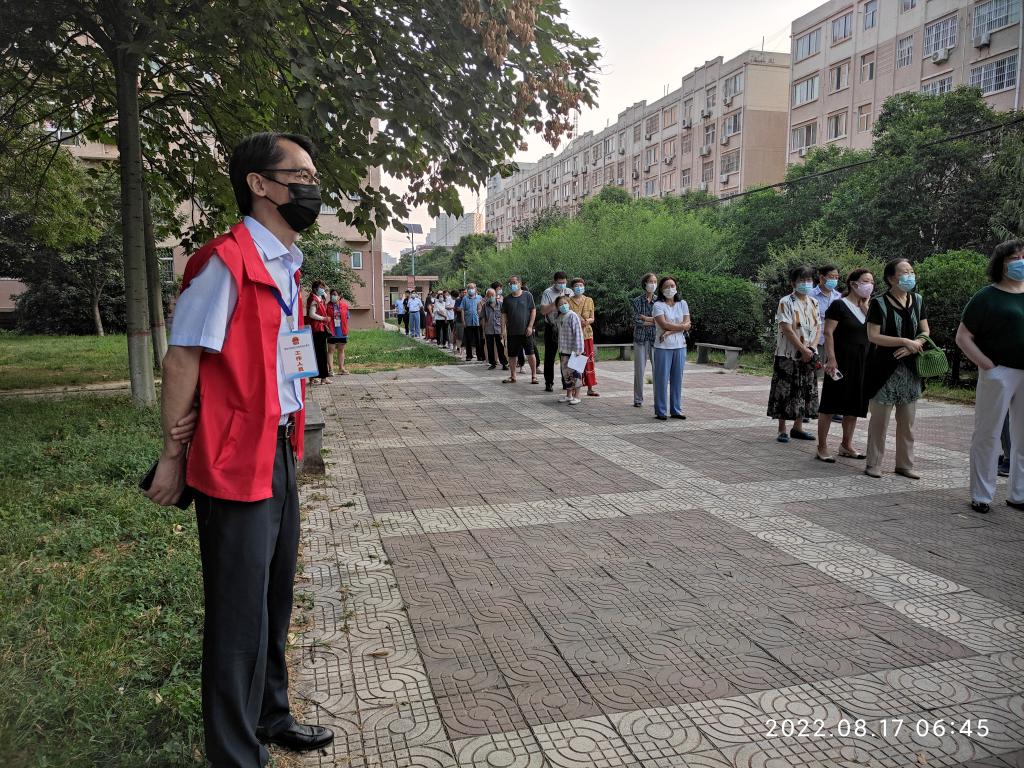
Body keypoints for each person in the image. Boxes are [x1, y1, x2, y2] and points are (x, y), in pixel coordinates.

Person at [144, 132, 334, 766]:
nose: (312, 188)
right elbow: (182, 359)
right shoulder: (224, 262)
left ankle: (270, 714)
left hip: (279, 446)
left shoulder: (287, 263)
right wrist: (172, 456)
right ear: (259, 184)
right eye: (299, 176)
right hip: (234, 459)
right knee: (237, 611)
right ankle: (233, 753)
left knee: (275, 594)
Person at [956, 239, 1024, 514]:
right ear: (1001, 264)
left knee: (1023, 436)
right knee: (988, 432)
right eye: (1015, 258)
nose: (1021, 262)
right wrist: (988, 366)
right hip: (999, 372)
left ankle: (1018, 494)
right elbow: (963, 337)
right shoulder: (986, 296)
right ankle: (981, 495)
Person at [863, 258, 930, 479]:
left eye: (911, 271)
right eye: (904, 272)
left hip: (911, 370)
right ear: (891, 278)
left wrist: (915, 345)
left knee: (907, 423)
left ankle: (904, 464)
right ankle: (874, 463)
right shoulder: (879, 303)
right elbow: (873, 336)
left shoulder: (918, 300)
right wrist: (903, 341)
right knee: (879, 422)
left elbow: (925, 331)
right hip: (883, 370)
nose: (909, 276)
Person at [816, 269, 874, 462]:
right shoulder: (839, 305)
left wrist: (865, 307)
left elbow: (873, 333)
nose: (870, 285)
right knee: (830, 403)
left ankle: (846, 444)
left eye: (872, 282)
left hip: (862, 361)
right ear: (853, 284)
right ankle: (822, 446)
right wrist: (831, 358)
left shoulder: (867, 308)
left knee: (854, 404)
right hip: (841, 360)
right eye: (866, 281)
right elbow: (828, 333)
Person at [768, 266, 821, 442]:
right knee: (784, 390)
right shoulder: (786, 301)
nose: (806, 283)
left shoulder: (814, 302)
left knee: (805, 389)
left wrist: (811, 348)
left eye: (809, 280)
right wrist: (802, 349)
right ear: (793, 283)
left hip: (809, 354)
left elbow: (818, 327)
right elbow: (786, 328)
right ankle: (782, 429)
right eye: (801, 280)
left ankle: (798, 427)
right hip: (788, 354)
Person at [651, 276, 690, 421]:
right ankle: (661, 411)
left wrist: (669, 332)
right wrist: (680, 327)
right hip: (663, 347)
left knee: (677, 380)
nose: (670, 289)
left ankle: (676, 409)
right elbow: (664, 324)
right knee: (661, 379)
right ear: (661, 289)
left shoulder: (682, 303)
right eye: (666, 287)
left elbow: (688, 323)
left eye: (672, 286)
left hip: (680, 346)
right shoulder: (658, 305)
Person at [500, 275, 538, 384]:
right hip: (512, 332)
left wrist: (530, 326)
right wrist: (503, 330)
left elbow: (533, 310)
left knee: (530, 353)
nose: (512, 285)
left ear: (520, 284)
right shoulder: (507, 299)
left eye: (514, 283)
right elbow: (503, 315)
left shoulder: (527, 295)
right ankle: (513, 376)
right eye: (510, 283)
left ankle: (534, 376)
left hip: (526, 331)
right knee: (512, 355)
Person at [540, 271, 573, 392]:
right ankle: (549, 382)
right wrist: (556, 302)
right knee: (550, 356)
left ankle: (566, 382)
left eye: (564, 282)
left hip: (566, 327)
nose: (562, 284)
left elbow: (573, 308)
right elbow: (543, 311)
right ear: (554, 282)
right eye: (559, 282)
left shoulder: (569, 292)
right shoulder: (547, 292)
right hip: (551, 326)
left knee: (566, 355)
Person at [631, 273, 658, 408]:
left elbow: (661, 320)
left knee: (658, 370)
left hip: (655, 339)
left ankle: (658, 399)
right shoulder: (636, 301)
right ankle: (638, 399)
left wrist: (645, 318)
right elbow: (636, 320)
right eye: (650, 281)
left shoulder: (659, 301)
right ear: (645, 283)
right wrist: (653, 321)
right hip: (640, 339)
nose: (653, 284)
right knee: (639, 370)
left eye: (655, 281)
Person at [568, 277, 599, 397]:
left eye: (581, 285)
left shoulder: (589, 300)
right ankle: (575, 388)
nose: (579, 288)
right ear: (572, 288)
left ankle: (590, 387)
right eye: (576, 285)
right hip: (574, 336)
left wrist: (586, 321)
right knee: (576, 362)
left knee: (588, 361)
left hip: (587, 334)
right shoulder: (568, 301)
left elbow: (592, 318)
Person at [556, 294, 584, 404]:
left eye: (565, 303)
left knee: (576, 373)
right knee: (566, 373)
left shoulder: (572, 315)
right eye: (560, 304)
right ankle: (569, 395)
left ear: (569, 304)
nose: (563, 306)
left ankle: (577, 396)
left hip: (575, 350)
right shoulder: (559, 317)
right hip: (564, 350)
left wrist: (579, 350)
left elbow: (578, 333)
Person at [306, 279, 331, 383]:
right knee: (321, 353)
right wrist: (324, 318)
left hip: (315, 328)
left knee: (315, 352)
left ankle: (313, 377)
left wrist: (324, 295)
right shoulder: (314, 299)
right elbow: (312, 314)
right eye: (321, 288)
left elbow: (325, 295)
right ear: (315, 288)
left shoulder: (317, 298)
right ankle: (323, 377)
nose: (323, 289)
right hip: (317, 328)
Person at [482, 287, 508, 370]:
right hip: (488, 329)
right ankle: (492, 363)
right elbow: (483, 319)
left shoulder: (501, 304)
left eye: (492, 295)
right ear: (486, 296)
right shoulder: (485, 306)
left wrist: (504, 330)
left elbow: (504, 318)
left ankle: (504, 363)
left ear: (495, 295)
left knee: (501, 347)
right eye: (489, 295)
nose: (491, 297)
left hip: (499, 329)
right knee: (490, 347)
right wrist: (483, 331)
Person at [326, 288, 350, 375]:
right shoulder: (327, 306)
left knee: (341, 349)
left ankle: (341, 368)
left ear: (339, 296)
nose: (333, 296)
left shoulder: (345, 305)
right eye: (331, 294)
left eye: (335, 294)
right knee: (331, 350)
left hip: (342, 331)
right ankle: (331, 370)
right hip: (331, 331)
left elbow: (347, 317)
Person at [461, 282, 485, 361]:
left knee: (478, 340)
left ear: (475, 289)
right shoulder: (465, 298)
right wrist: (463, 321)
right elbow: (462, 310)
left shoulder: (479, 298)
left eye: (472, 288)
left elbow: (483, 309)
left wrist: (482, 320)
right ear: (467, 289)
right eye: (469, 288)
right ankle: (469, 355)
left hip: (477, 322)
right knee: (468, 340)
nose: (471, 290)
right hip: (468, 322)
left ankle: (479, 355)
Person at [453, 287, 466, 353]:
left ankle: (464, 349)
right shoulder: (458, 300)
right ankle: (458, 348)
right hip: (459, 320)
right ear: (460, 293)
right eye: (463, 292)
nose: (464, 293)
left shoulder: (468, 299)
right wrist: (464, 309)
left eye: (465, 292)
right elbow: (457, 308)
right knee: (459, 336)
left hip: (467, 321)